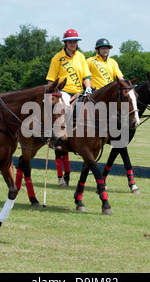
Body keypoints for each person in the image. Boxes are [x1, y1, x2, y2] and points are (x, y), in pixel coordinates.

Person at [86, 38, 138, 192]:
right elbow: (85, 76)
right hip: (97, 97)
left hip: (112, 99)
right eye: (102, 48)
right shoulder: (90, 61)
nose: (105, 50)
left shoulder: (113, 62)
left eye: (107, 48)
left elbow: (120, 78)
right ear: (97, 49)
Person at [46, 29, 92, 187]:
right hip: (63, 91)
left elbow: (86, 76)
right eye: (70, 41)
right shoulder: (57, 58)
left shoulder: (81, 56)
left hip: (79, 91)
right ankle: (58, 137)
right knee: (64, 108)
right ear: (65, 43)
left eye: (75, 41)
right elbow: (51, 80)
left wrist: (88, 88)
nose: (73, 44)